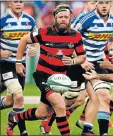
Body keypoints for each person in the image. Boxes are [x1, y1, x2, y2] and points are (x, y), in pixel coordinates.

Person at [6, 3, 86, 136]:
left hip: (60, 78)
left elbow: (82, 57)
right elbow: (23, 40)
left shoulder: (76, 36)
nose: (63, 19)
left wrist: (73, 61)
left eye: (66, 17)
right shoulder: (44, 32)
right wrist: (19, 62)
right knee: (60, 106)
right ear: (55, 18)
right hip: (43, 76)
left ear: (70, 18)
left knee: (41, 113)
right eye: (60, 17)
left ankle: (14, 118)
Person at [73, 1, 113, 135]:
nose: (104, 6)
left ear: (110, 4)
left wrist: (111, 51)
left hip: (97, 63)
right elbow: (70, 39)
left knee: (103, 96)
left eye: (106, 2)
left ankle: (93, 131)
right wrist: (81, 61)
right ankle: (47, 117)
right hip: (79, 62)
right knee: (72, 99)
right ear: (96, 5)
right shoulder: (86, 19)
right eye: (100, 3)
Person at [0, 1, 37, 135]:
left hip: (21, 64)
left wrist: (33, 47)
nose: (19, 4)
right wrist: (1, 53)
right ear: (10, 3)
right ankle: (24, 132)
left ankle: (12, 118)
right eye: (15, 1)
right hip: (5, 64)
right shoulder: (2, 20)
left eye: (21, 1)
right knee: (20, 96)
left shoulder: (30, 20)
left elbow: (35, 40)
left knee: (11, 101)